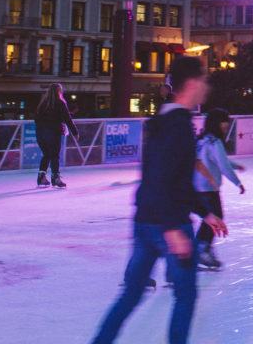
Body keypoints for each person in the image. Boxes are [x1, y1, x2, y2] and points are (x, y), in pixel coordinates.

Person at [90, 57, 227, 344]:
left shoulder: (161, 120)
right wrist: (172, 229)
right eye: (203, 81)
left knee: (132, 293)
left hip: (144, 221)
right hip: (168, 224)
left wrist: (207, 213)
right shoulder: (178, 126)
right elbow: (164, 178)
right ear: (191, 84)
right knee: (185, 295)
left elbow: (172, 179)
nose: (205, 88)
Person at [193, 106, 245, 271]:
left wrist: (236, 166)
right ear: (217, 123)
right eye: (224, 122)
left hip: (198, 185)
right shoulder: (215, 141)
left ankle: (198, 250)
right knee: (215, 217)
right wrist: (237, 182)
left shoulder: (202, 139)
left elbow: (219, 161)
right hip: (209, 186)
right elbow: (222, 165)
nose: (226, 126)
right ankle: (202, 250)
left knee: (210, 217)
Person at [33, 83, 79, 188]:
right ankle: (55, 178)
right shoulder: (60, 103)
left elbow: (36, 118)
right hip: (53, 133)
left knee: (47, 154)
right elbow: (68, 119)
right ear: (59, 91)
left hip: (40, 133)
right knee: (54, 155)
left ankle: (41, 178)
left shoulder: (43, 103)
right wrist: (75, 132)